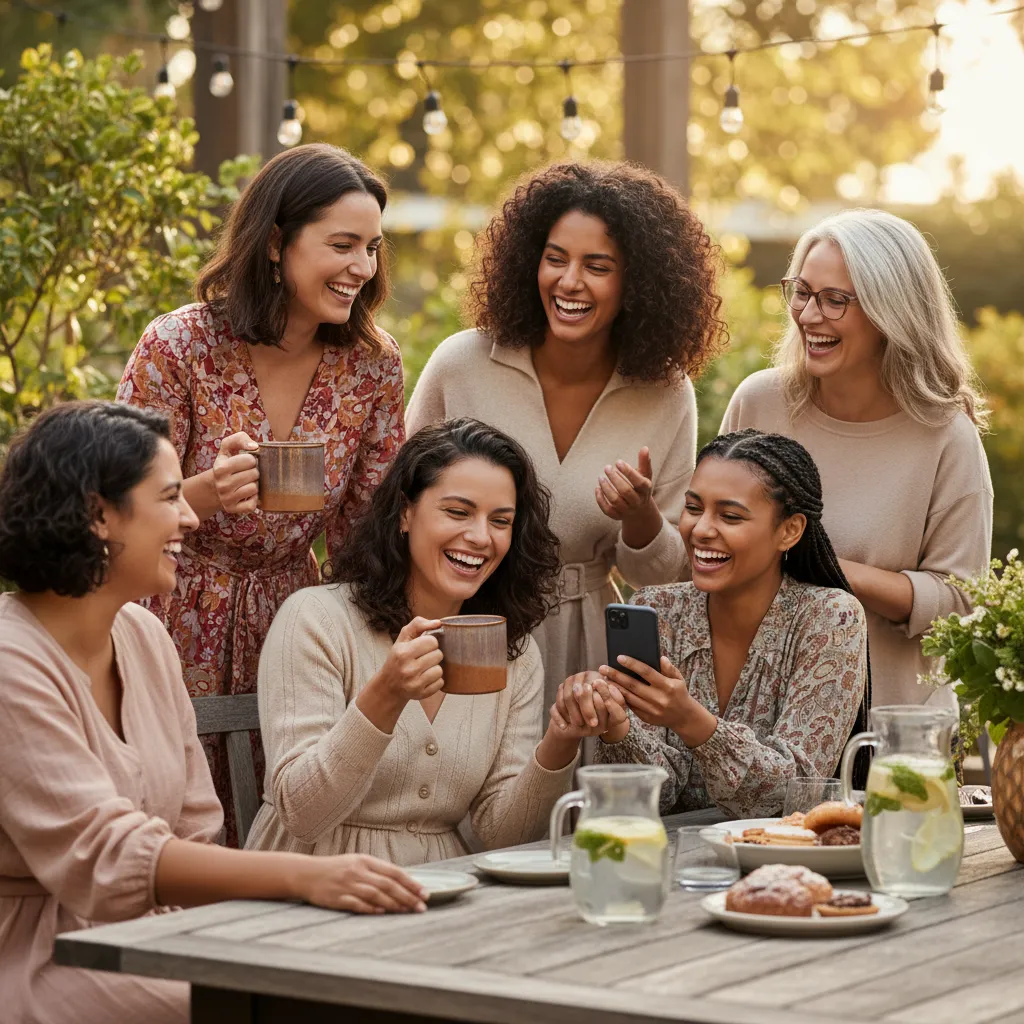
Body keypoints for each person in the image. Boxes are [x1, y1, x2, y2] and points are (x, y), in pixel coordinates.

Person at [0, 403, 427, 1024]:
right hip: (35, 957)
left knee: (353, 970)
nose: (191, 517)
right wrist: (304, 879)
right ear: (98, 515)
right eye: (170, 497)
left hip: (157, 936)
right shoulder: (12, 663)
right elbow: (105, 855)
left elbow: (196, 823)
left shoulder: (144, 635)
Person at [117, 144, 405, 843]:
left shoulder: (371, 365)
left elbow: (368, 535)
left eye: (371, 247)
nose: (362, 268)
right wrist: (205, 495)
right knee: (165, 821)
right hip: (167, 611)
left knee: (285, 816)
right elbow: (112, 506)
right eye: (342, 245)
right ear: (276, 242)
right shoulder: (178, 345)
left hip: (296, 626)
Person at [406, 161, 728, 709]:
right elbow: (402, 506)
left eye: (597, 266)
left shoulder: (665, 391)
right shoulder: (462, 363)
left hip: (590, 650)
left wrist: (641, 518)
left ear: (637, 284)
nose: (569, 281)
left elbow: (666, 574)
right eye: (555, 259)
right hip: (467, 630)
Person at [245, 419, 620, 863]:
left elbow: (504, 834)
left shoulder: (513, 653)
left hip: (442, 886)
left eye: (500, 521)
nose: (481, 537)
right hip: (307, 879)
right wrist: (385, 695)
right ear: (405, 512)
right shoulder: (315, 619)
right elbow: (302, 814)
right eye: (458, 512)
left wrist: (560, 740)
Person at [721, 209, 992, 710]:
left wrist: (821, 565)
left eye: (835, 300)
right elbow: (714, 548)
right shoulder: (759, 403)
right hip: (762, 724)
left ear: (891, 312)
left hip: (896, 731)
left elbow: (959, 603)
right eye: (802, 292)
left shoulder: (946, 437)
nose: (808, 315)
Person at [559, 429, 870, 819]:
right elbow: (655, 798)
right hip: (670, 861)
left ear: (789, 530)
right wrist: (618, 727)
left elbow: (794, 793)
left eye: (730, 516)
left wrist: (689, 719)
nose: (701, 529)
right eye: (693, 508)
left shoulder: (830, 618)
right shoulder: (658, 609)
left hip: (781, 862)